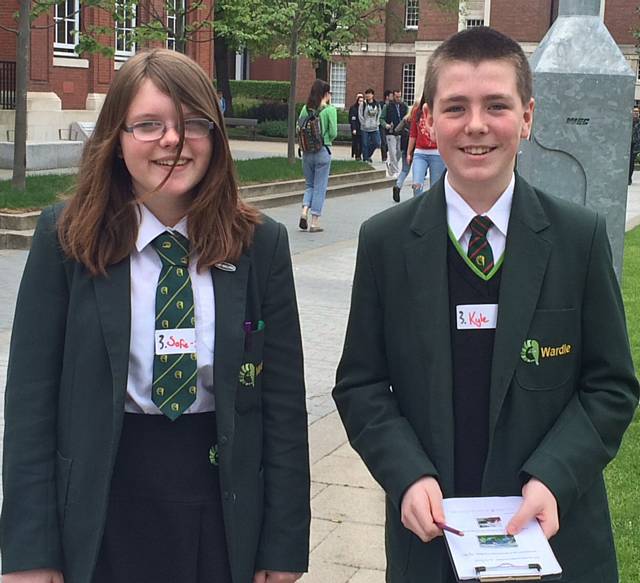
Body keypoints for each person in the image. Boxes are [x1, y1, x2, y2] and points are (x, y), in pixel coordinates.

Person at [333, 26, 638, 583]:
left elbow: (610, 385)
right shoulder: (385, 242)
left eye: (497, 105)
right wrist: (406, 476)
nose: (476, 125)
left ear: (527, 118)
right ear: (428, 120)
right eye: (456, 107)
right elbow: (362, 385)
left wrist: (554, 476)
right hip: (433, 540)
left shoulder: (579, 239)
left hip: (555, 540)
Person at [0, 49, 310, 583]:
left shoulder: (260, 245)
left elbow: (282, 408)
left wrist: (282, 548)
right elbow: (30, 401)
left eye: (193, 124)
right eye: (149, 125)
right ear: (116, 141)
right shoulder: (66, 239)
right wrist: (29, 552)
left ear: (215, 138)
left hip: (220, 506)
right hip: (101, 509)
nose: (173, 141)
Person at [298, 79, 338, 233]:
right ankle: (314, 222)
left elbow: (299, 126)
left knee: (309, 184)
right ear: (326, 94)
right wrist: (325, 139)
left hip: (307, 151)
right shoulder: (330, 110)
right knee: (320, 186)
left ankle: (304, 211)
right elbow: (333, 132)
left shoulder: (305, 109)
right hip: (323, 151)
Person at [408, 93, 446, 196]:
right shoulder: (417, 112)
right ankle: (419, 208)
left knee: (435, 188)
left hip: (436, 153)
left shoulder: (440, 111)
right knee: (417, 184)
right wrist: (409, 153)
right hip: (420, 152)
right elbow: (413, 133)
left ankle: (432, 210)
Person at [391, 101, 418, 203]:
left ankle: (398, 185)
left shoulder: (406, 119)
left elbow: (396, 130)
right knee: (418, 170)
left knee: (405, 170)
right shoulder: (419, 120)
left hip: (405, 147)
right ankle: (416, 191)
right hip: (417, 148)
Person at [381, 90, 409, 178]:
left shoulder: (404, 106)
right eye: (396, 97)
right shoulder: (387, 106)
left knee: (399, 152)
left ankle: (391, 167)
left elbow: (408, 117)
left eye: (399, 96)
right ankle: (396, 171)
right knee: (392, 152)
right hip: (391, 132)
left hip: (401, 132)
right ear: (393, 96)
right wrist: (387, 125)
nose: (398, 98)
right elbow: (381, 119)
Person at [358, 88, 382, 163]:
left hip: (374, 127)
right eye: (366, 94)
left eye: (369, 94)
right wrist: (363, 123)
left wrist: (377, 122)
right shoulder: (363, 104)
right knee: (365, 144)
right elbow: (360, 114)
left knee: (377, 142)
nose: (368, 95)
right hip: (365, 127)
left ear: (372, 95)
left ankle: (368, 155)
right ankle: (365, 158)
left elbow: (379, 114)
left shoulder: (377, 104)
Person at [349, 93, 364, 161]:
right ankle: (356, 154)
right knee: (356, 142)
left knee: (361, 142)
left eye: (362, 101)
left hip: (362, 128)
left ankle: (360, 154)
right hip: (356, 128)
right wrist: (354, 128)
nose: (361, 102)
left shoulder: (364, 109)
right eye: (359, 101)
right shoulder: (353, 108)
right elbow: (352, 119)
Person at [380, 89, 392, 163]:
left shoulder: (392, 105)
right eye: (391, 96)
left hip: (390, 125)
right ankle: (384, 157)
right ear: (387, 97)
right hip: (382, 126)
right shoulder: (381, 105)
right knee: (383, 141)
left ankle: (386, 151)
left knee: (389, 142)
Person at [629, 106, 640, 185]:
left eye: (637, 112)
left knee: (631, 162)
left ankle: (629, 178)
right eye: (634, 111)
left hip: (635, 145)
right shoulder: (628, 121)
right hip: (627, 144)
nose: (636, 113)